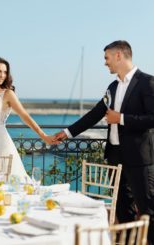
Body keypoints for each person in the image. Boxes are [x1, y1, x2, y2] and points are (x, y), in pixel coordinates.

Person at [53, 40, 154, 244]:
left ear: (119, 55)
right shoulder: (113, 86)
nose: (105, 63)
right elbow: (95, 114)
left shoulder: (147, 82)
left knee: (147, 210)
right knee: (122, 208)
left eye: (107, 58)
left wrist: (122, 118)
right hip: (115, 157)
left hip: (139, 158)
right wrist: (67, 132)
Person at [0, 57, 53, 180]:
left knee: (5, 182)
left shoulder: (8, 94)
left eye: (5, 72)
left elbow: (24, 115)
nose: (2, 75)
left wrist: (43, 135)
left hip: (0, 144)